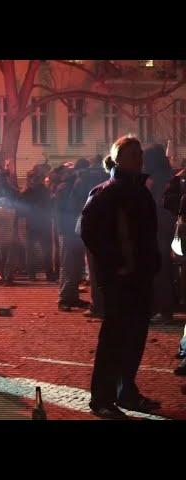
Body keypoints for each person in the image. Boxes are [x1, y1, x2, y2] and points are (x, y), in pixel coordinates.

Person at [80, 135, 162, 419]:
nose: (139, 158)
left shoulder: (140, 191)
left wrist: (151, 261)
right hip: (119, 278)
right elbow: (90, 232)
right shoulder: (106, 192)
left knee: (135, 337)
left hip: (139, 275)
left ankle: (126, 390)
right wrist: (116, 264)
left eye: (140, 153)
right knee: (114, 338)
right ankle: (102, 398)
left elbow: (147, 233)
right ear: (117, 159)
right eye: (133, 154)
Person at [71, 154, 109, 318]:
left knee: (93, 268)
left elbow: (73, 203)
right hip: (108, 227)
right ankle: (108, 305)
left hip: (89, 226)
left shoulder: (82, 179)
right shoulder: (110, 179)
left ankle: (97, 306)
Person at [143, 144, 177, 323]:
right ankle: (166, 308)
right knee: (167, 268)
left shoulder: (153, 179)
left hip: (159, 226)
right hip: (171, 225)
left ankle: (163, 310)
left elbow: (153, 204)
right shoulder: (170, 176)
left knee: (159, 268)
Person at [55, 161, 90, 312]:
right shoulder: (66, 187)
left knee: (75, 265)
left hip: (74, 229)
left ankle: (72, 297)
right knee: (68, 265)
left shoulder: (72, 186)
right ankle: (64, 298)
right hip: (68, 230)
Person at [20, 169, 53, 281]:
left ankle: (32, 275)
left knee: (31, 251)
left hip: (33, 223)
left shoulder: (26, 192)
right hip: (42, 223)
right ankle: (48, 274)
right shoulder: (45, 191)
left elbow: (22, 209)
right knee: (44, 250)